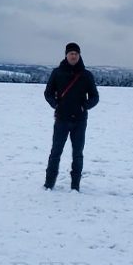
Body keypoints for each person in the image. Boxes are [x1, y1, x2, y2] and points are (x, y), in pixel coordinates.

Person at [43, 42, 99, 191]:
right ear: (66, 55)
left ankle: (75, 186)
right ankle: (49, 184)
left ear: (79, 56)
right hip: (61, 119)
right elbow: (48, 93)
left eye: (76, 53)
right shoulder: (57, 72)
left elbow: (95, 97)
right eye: (71, 53)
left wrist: (84, 106)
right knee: (55, 152)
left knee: (78, 154)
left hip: (80, 121)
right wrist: (56, 105)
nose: (73, 56)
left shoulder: (86, 75)